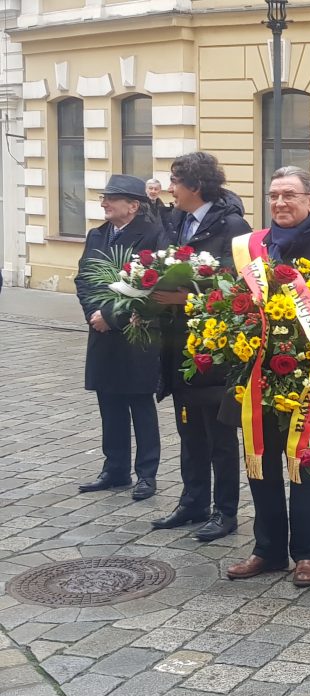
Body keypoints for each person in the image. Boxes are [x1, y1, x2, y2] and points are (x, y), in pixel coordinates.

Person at [227, 166, 310, 587]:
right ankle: (267, 550)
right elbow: (236, 308)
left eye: (289, 195)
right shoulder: (249, 248)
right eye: (273, 195)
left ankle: (307, 555)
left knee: (304, 465)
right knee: (259, 464)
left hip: (309, 380)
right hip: (256, 376)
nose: (280, 203)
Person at [149, 152, 251, 542]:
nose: (170, 188)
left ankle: (224, 512)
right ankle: (192, 501)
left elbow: (237, 286)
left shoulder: (232, 224)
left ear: (195, 185)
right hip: (178, 345)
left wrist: (184, 300)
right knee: (189, 428)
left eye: (176, 181)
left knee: (219, 436)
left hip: (216, 350)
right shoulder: (176, 221)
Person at [74, 175, 164, 501]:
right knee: (108, 401)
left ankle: (146, 474)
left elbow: (149, 287)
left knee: (139, 402)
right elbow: (83, 278)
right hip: (100, 331)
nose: (104, 203)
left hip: (135, 332)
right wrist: (93, 314)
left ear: (133, 205)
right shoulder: (97, 235)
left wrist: (111, 317)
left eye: (111, 198)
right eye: (104, 197)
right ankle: (115, 469)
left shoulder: (153, 235)